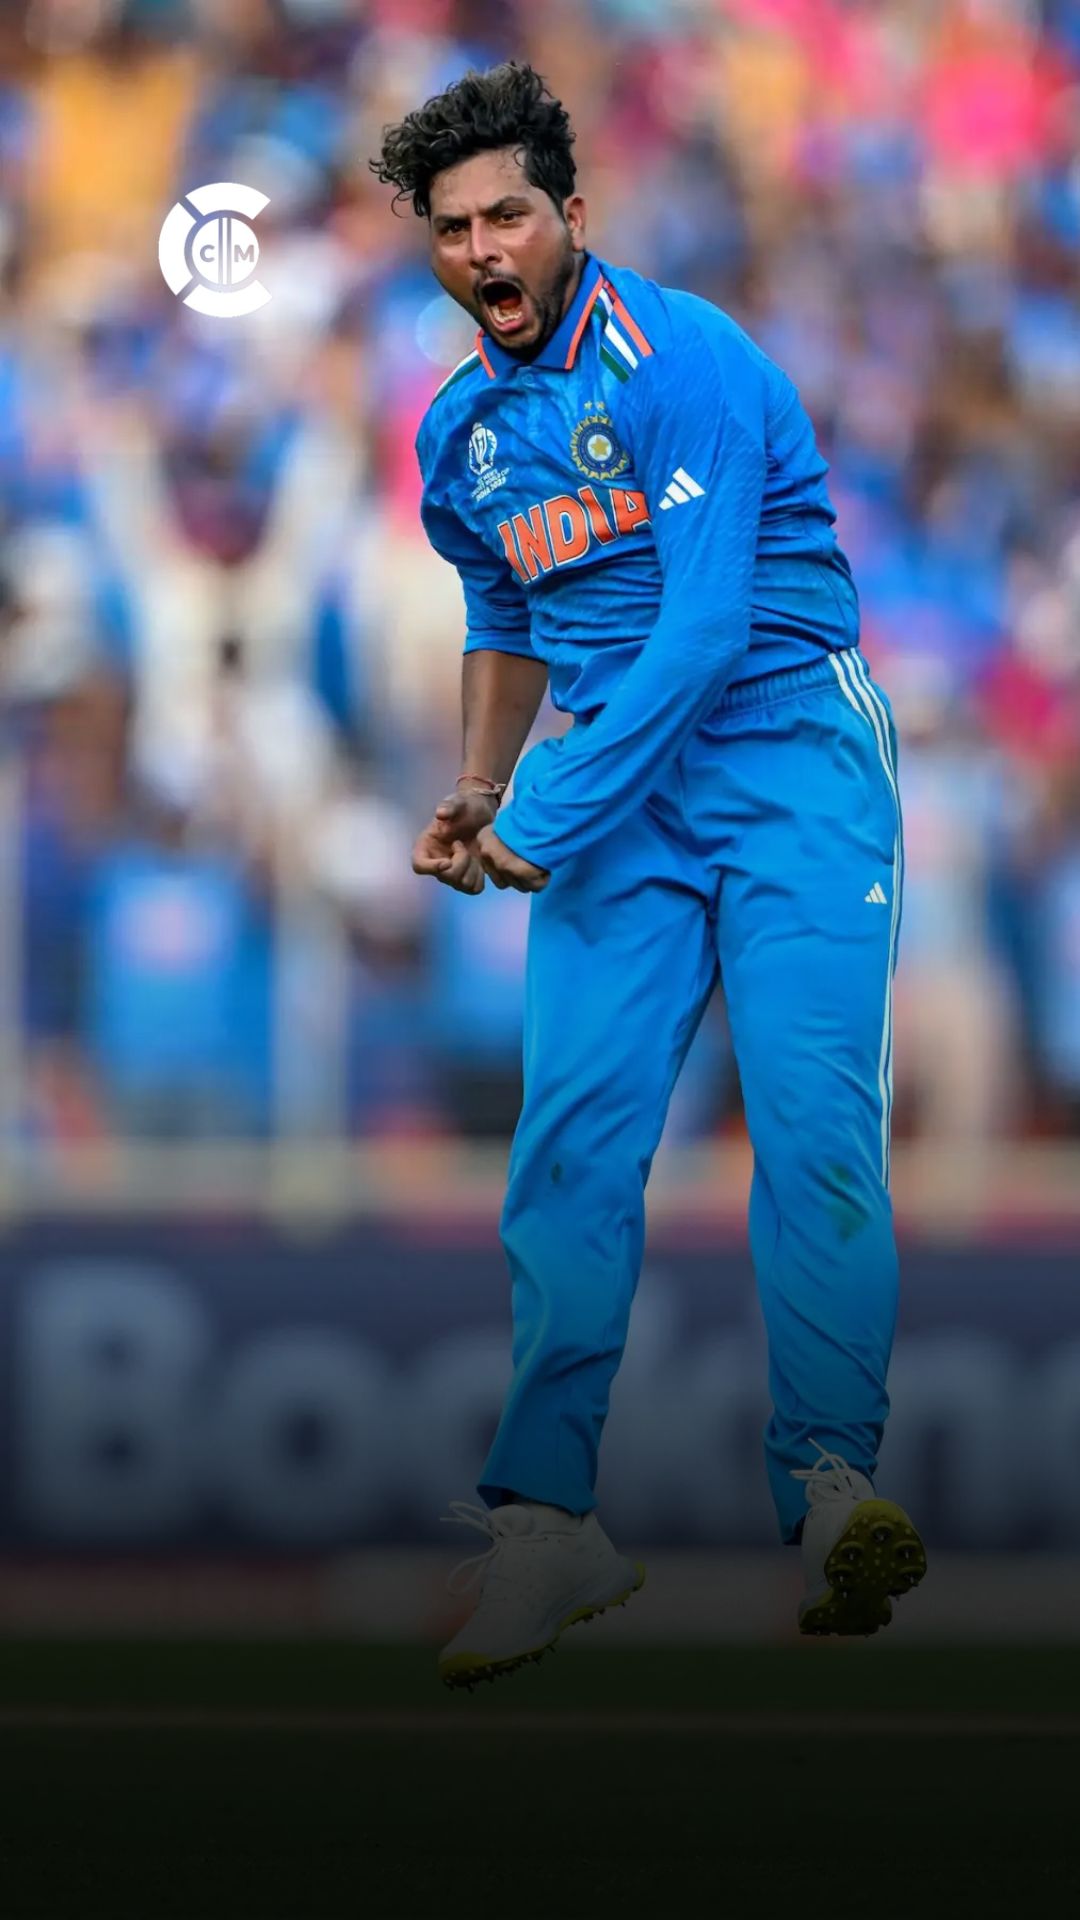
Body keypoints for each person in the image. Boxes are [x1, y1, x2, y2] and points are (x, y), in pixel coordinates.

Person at [371, 62, 926, 1688]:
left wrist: (547, 814)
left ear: (572, 215)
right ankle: (549, 1524)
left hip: (784, 750)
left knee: (814, 1129)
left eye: (510, 216)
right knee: (570, 1141)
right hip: (611, 770)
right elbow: (504, 616)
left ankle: (833, 1490)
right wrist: (483, 786)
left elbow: (700, 631)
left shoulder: (684, 357)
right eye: (455, 228)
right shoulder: (459, 430)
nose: (486, 249)